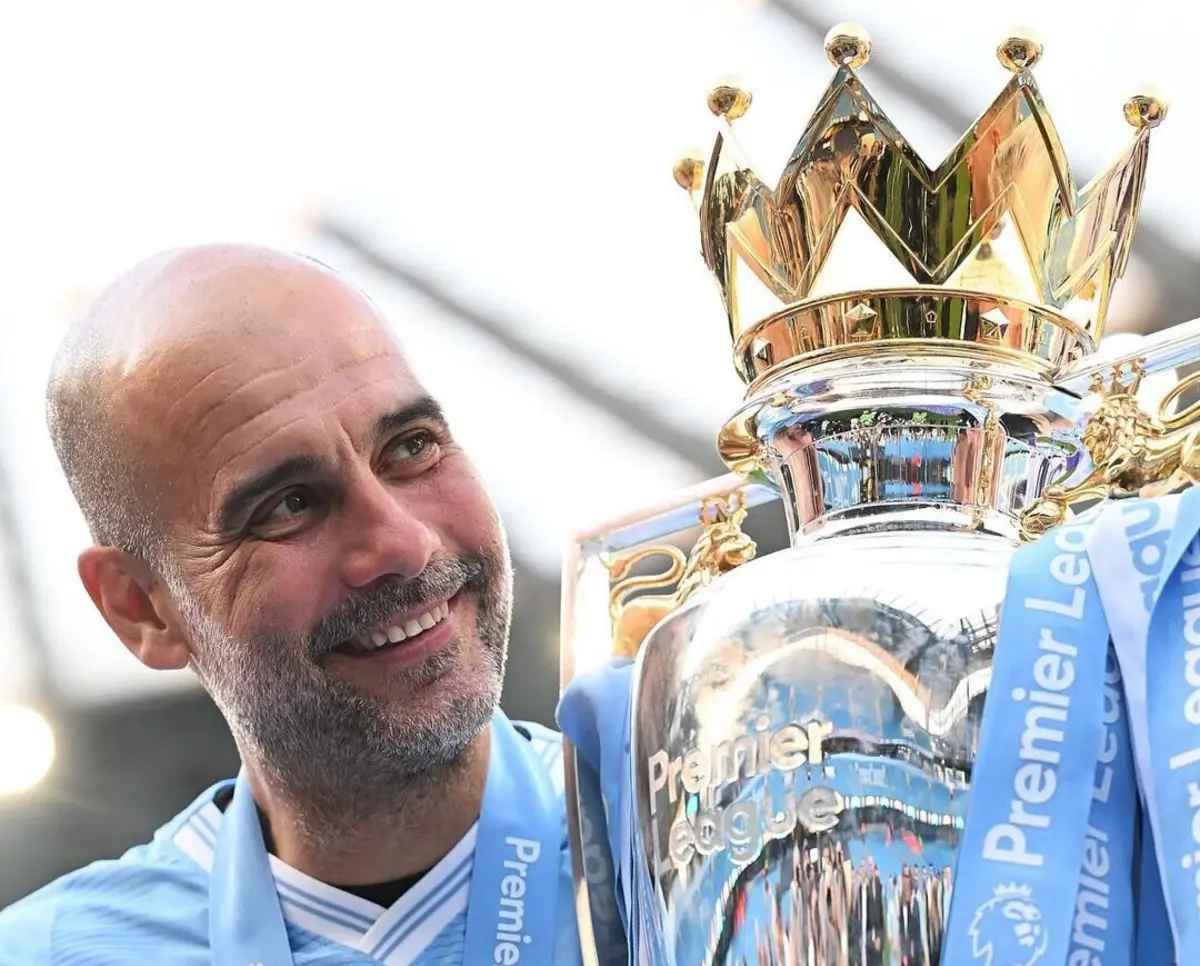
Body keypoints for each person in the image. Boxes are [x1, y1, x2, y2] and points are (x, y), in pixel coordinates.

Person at [0, 244, 583, 966]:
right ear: (140, 610)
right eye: (289, 505)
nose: (404, 544)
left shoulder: (693, 831)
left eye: (412, 446)